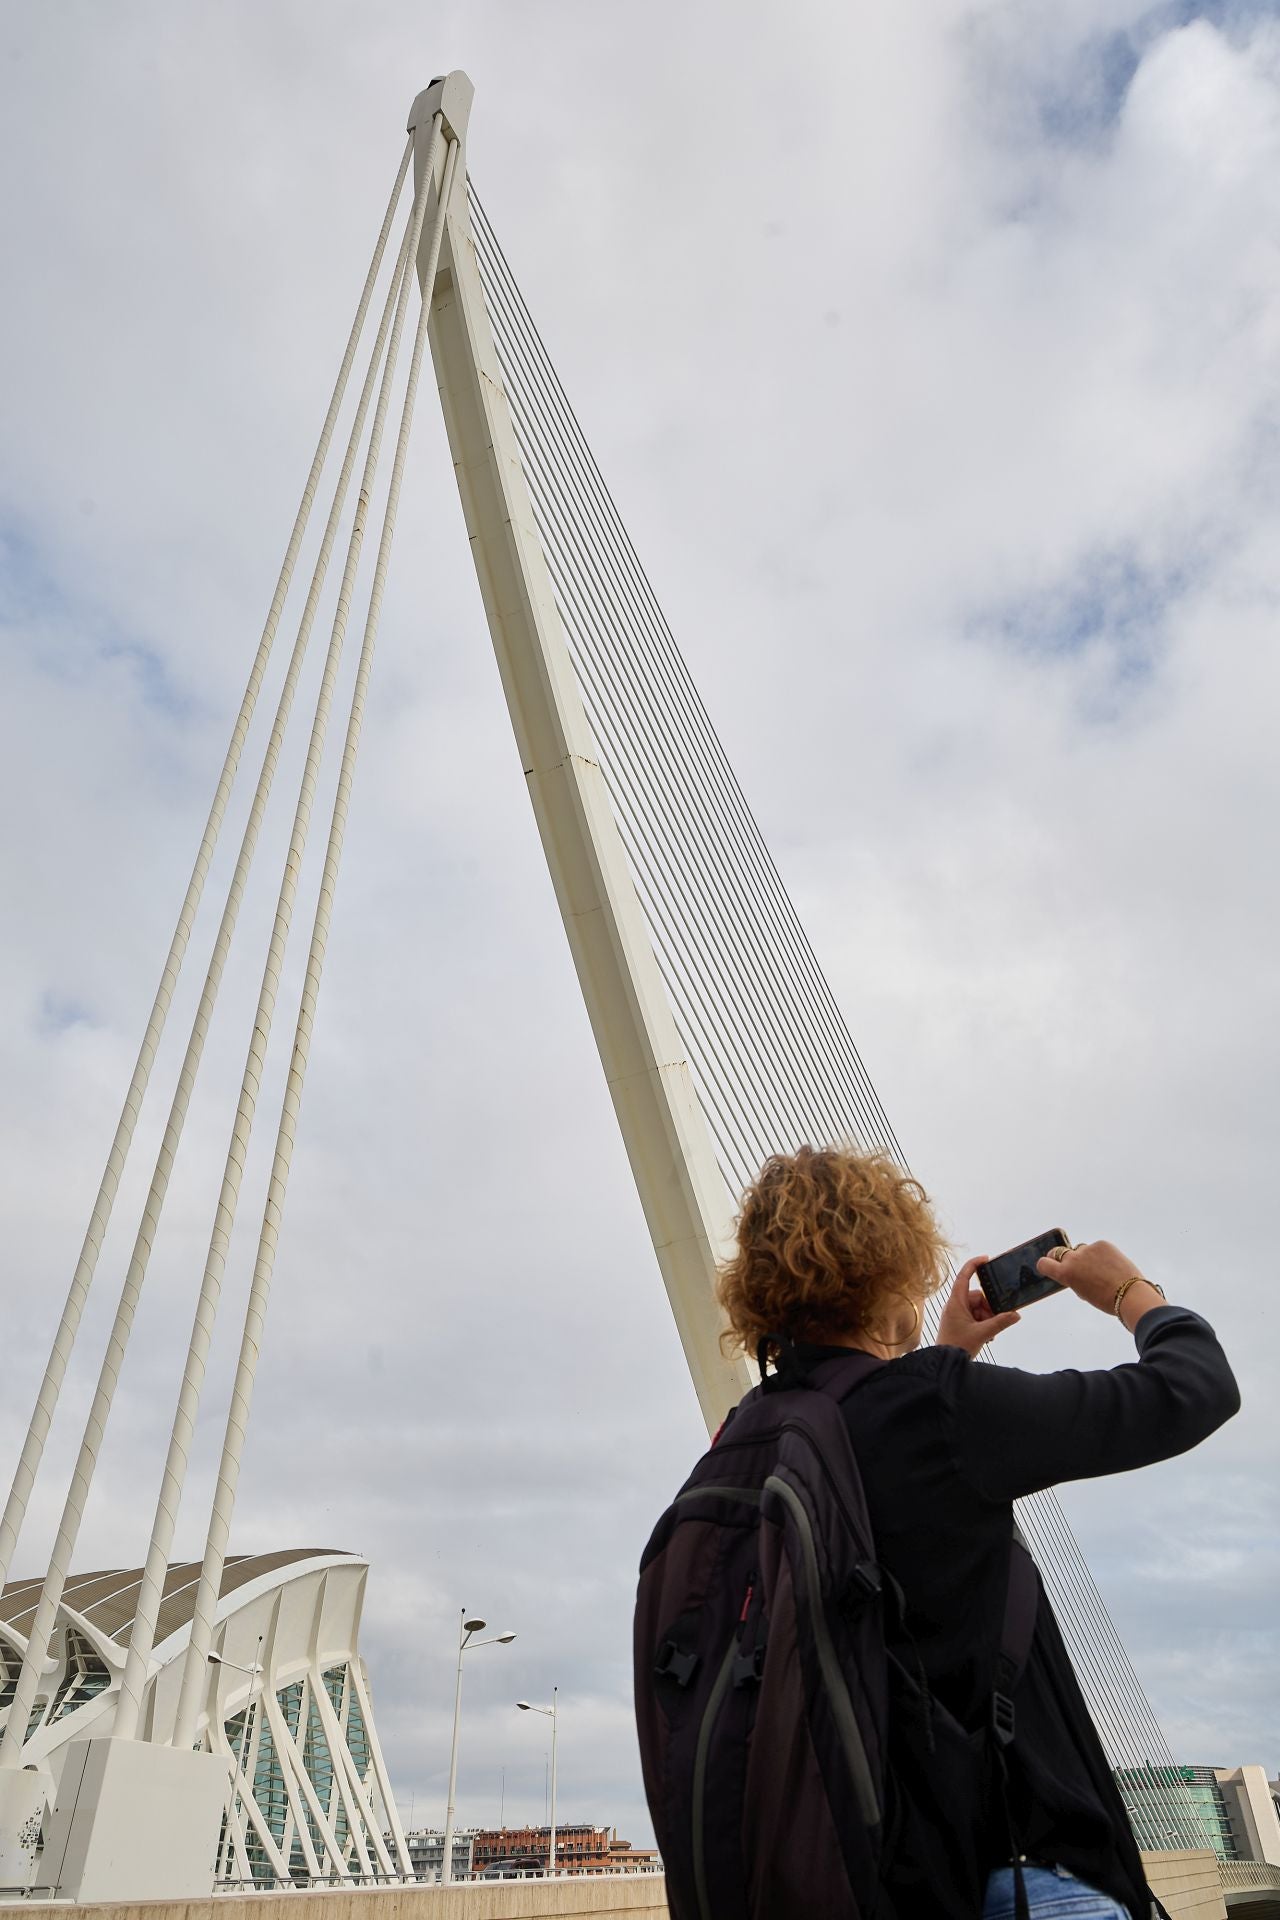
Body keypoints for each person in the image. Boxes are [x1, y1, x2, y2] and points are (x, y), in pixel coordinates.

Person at [713, 1145, 1241, 1920]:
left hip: (865, 1883)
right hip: (1021, 1874)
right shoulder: (935, 1412)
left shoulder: (741, 1441)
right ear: (895, 1267)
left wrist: (945, 1356)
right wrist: (1131, 1293)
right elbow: (1194, 1389)